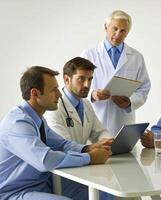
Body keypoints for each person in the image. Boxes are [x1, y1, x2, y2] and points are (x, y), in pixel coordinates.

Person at [0, 66, 112, 200]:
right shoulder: (17, 123)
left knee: (105, 192)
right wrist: (90, 158)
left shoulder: (37, 120)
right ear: (35, 93)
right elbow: (46, 159)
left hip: (44, 182)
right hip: (15, 192)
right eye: (54, 90)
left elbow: (62, 144)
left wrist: (88, 148)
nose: (59, 94)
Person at [80, 10, 151, 135]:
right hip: (96, 119)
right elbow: (78, 85)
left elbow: (144, 88)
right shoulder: (89, 55)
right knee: (97, 152)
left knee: (124, 153)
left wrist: (130, 102)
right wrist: (93, 94)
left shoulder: (136, 57)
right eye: (115, 28)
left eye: (123, 31)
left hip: (123, 121)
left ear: (128, 32)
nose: (118, 34)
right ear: (106, 27)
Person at [45, 57, 111, 144]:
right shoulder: (54, 107)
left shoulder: (86, 104)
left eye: (90, 79)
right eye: (81, 79)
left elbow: (100, 132)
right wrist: (97, 148)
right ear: (67, 79)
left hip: (85, 156)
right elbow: (64, 145)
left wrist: (108, 141)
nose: (87, 85)